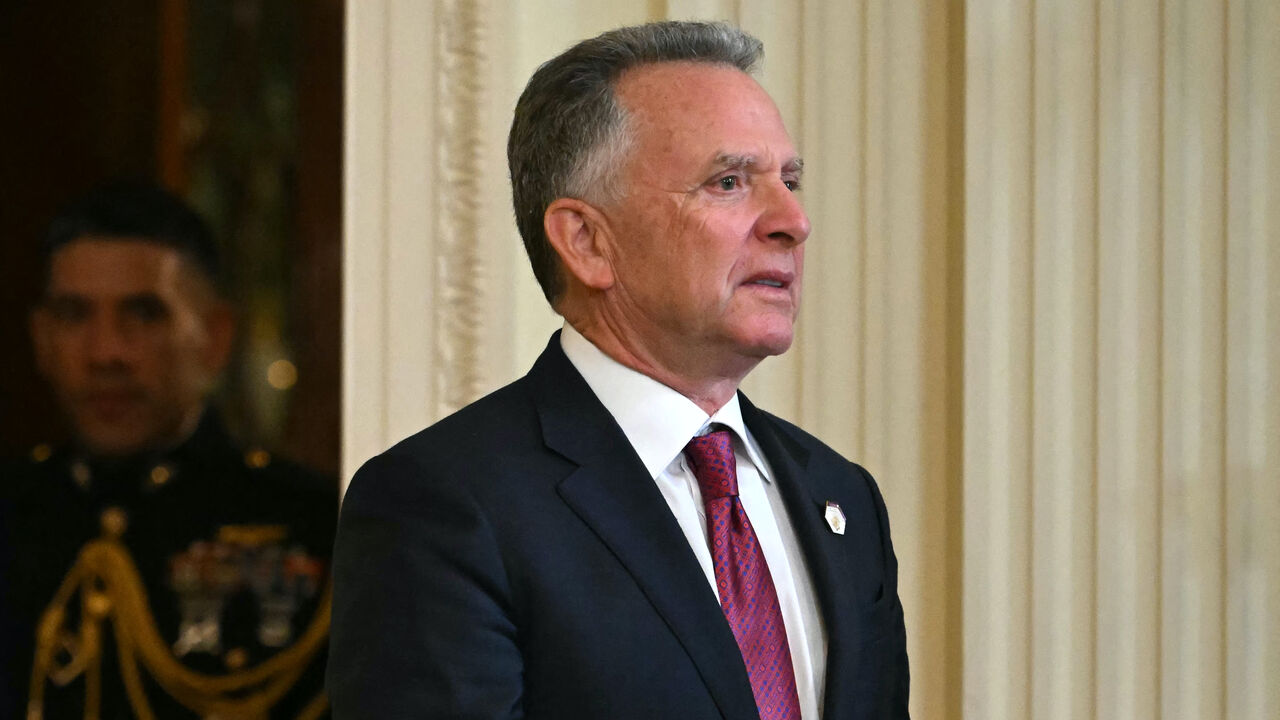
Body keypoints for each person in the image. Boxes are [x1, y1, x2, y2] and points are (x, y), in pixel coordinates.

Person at [328, 20, 909, 720]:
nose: (793, 221)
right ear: (587, 241)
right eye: (729, 182)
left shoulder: (842, 497)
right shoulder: (446, 507)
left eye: (790, 181)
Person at [1, 183, 337, 719]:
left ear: (215, 336)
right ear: (40, 339)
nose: (105, 352)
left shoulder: (316, 526)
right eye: (73, 315)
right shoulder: (14, 513)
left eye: (143, 314)